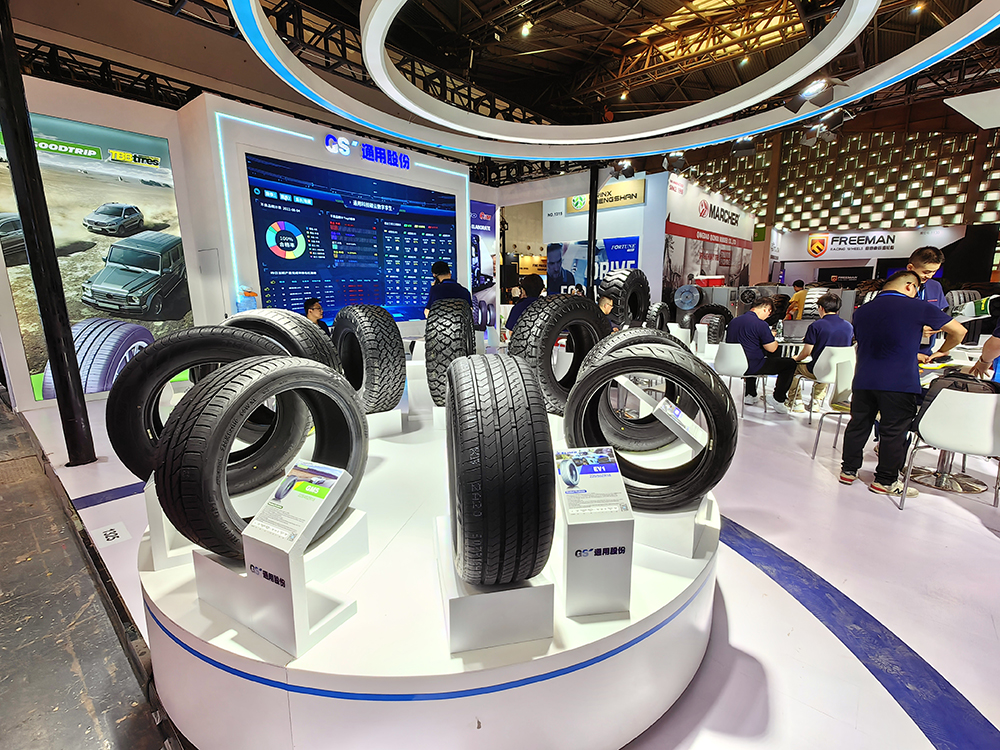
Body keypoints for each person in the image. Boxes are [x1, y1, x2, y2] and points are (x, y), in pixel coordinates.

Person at [840, 270, 966, 498]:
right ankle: (885, 480)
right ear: (910, 286)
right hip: (899, 382)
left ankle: (848, 470)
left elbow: (880, 340)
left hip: (864, 378)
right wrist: (941, 351)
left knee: (858, 425)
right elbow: (959, 331)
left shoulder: (863, 311)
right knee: (894, 431)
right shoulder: (919, 307)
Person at [725, 296, 796, 414]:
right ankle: (778, 399)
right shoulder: (760, 324)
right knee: (789, 364)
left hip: (730, 364)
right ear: (766, 309)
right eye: (768, 313)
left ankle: (750, 394)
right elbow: (772, 349)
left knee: (752, 351)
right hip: (750, 366)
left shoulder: (734, 321)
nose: (767, 317)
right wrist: (772, 337)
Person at [786, 293, 854, 412]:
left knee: (792, 366)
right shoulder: (849, 326)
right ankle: (816, 401)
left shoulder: (816, 326)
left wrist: (795, 358)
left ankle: (796, 401)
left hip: (817, 370)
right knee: (827, 364)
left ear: (821, 308)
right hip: (838, 371)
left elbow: (806, 353)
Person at [907, 246, 948, 355]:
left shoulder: (935, 286)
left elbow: (940, 313)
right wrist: (917, 331)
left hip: (926, 353)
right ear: (910, 267)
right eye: (926, 272)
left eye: (934, 272)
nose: (930, 276)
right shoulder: (895, 287)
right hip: (901, 354)